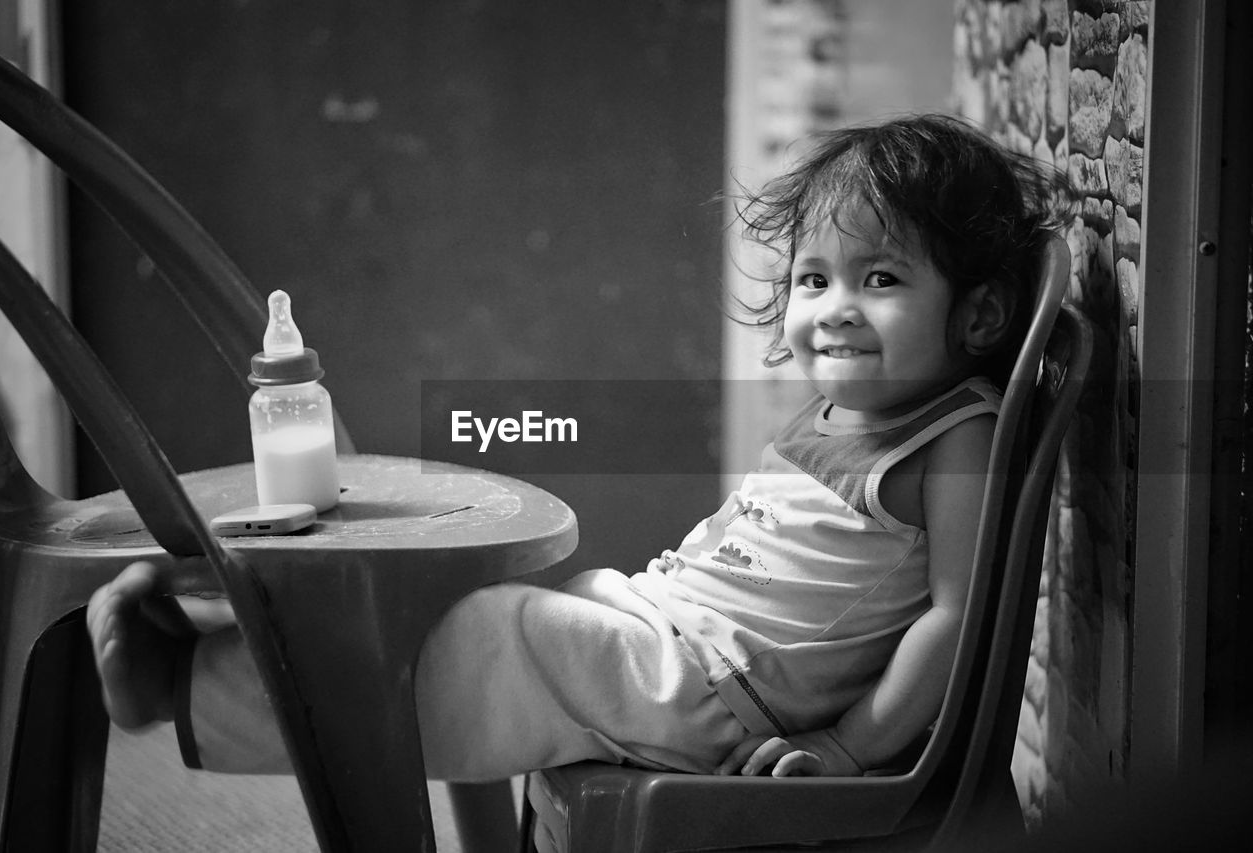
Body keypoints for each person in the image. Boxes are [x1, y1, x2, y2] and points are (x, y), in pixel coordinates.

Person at [87, 113, 1074, 782]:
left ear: (980, 313)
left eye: (881, 279)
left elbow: (956, 617)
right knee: (450, 602)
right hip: (665, 628)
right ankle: (234, 639)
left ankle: (190, 690)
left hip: (717, 704)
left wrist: (850, 748)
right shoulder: (833, 417)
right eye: (813, 280)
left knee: (495, 638)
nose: (832, 311)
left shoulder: (955, 440)